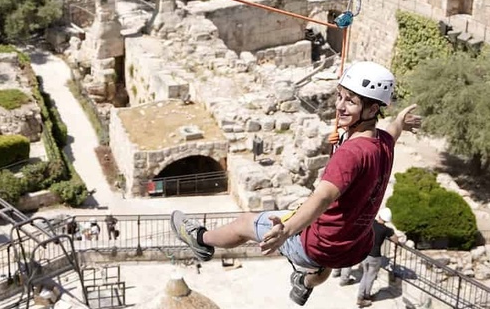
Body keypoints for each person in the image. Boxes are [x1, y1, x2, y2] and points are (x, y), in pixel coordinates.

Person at [170, 61, 419, 306]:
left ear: (372, 110)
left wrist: (287, 231)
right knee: (324, 262)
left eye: (350, 101)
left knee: (245, 223)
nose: (339, 106)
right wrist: (400, 122)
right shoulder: (383, 142)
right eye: (340, 96)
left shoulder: (350, 154)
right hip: (353, 246)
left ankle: (201, 240)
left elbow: (322, 197)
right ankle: (305, 284)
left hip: (316, 244)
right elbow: (393, 131)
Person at [339, 208, 395, 307]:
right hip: (375, 256)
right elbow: (396, 240)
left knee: (365, 275)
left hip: (365, 253)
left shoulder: (371, 223)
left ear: (379, 216)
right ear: (387, 220)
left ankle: (361, 297)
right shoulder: (386, 230)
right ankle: (365, 297)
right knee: (370, 277)